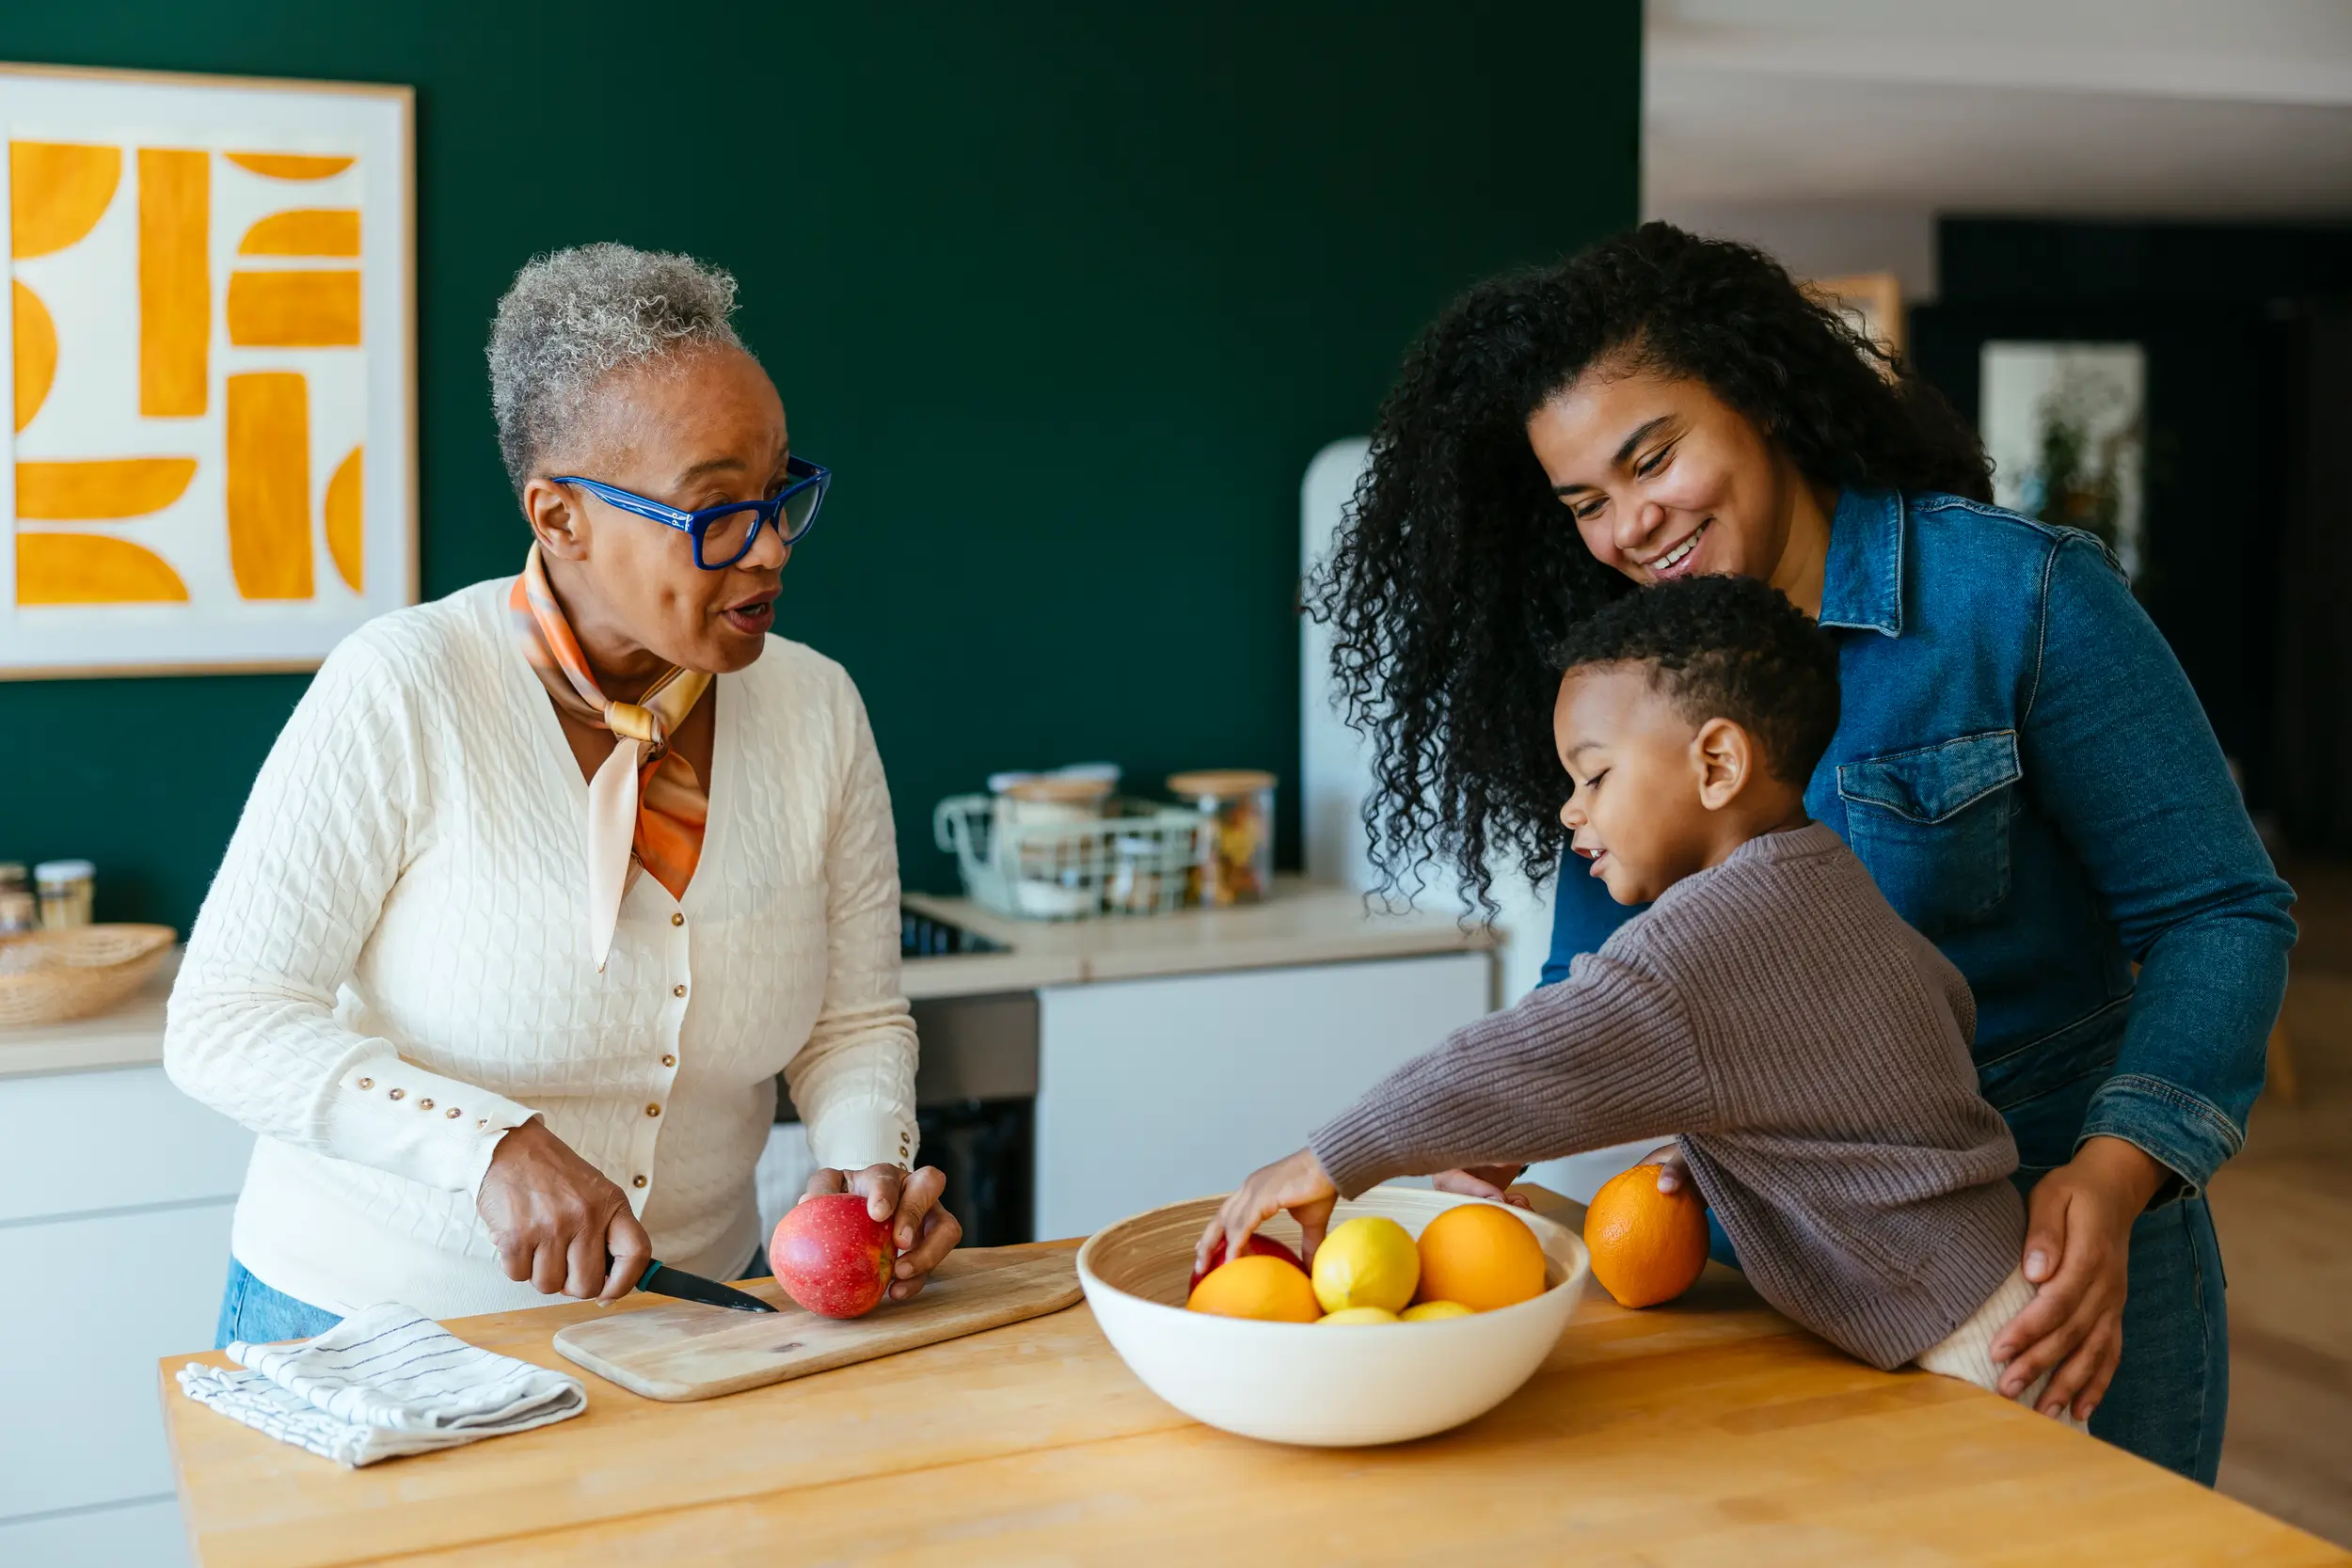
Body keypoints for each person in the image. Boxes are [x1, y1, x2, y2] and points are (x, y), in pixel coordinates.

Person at [1306, 223, 2294, 1480]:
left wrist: (2112, 1175)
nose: (1629, 525)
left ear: (1759, 392)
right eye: (1586, 503)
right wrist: (1486, 1133)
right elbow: (1601, 988)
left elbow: (2219, 912)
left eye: (1651, 456)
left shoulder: (2019, 599)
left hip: (2058, 1259)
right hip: (1764, 1270)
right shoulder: (1637, 678)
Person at [168, 244, 959, 1342]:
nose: (770, 543)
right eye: (715, 508)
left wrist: (868, 1163)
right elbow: (225, 1022)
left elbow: (854, 1017)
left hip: (694, 1323)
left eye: (780, 489)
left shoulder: (817, 707)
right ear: (558, 518)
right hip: (369, 1329)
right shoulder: (404, 685)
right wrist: (487, 1143)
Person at [1210, 577, 2074, 1412]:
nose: (1568, 812)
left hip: (1967, 1343)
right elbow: (1934, 1016)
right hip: (1988, 1288)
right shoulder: (1825, 880)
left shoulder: (1701, 936)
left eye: (1594, 777)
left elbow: (1533, 1056)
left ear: (1717, 764)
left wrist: (1331, 1155)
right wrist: (1738, 1148)